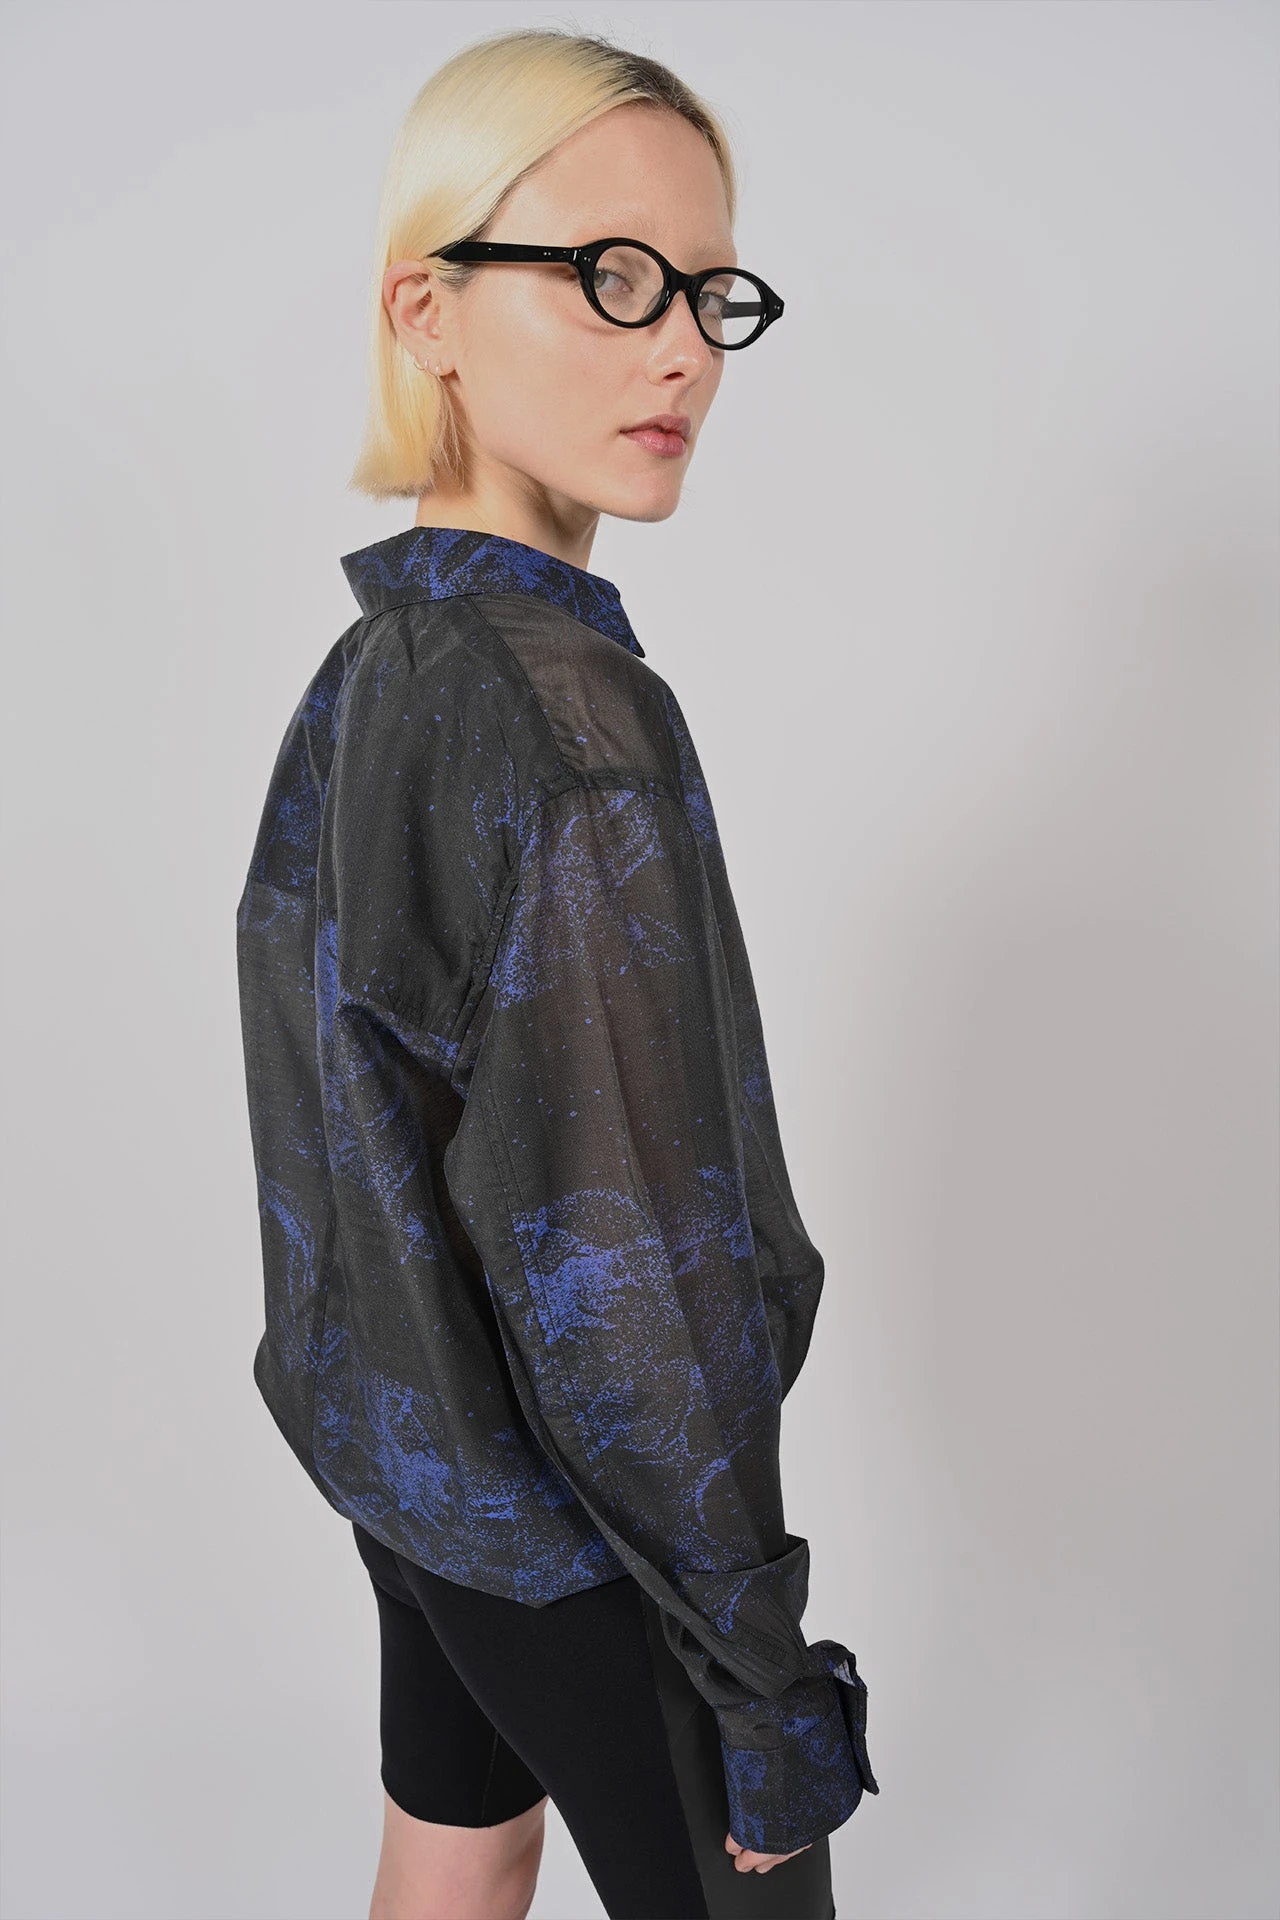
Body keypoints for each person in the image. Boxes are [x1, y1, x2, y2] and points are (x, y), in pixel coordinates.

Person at [235, 26, 878, 1920]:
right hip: (586, 1538)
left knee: (458, 1853)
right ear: (424, 307)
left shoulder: (375, 672)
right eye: (609, 277)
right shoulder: (571, 725)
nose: (678, 349)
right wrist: (758, 1675)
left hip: (410, 1464)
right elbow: (641, 1271)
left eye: (707, 292)